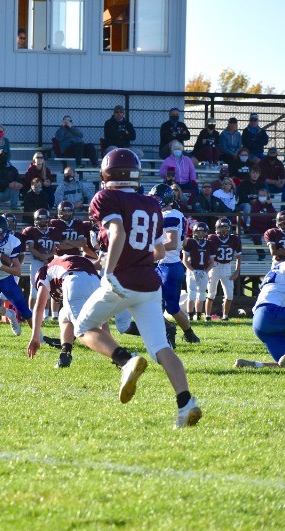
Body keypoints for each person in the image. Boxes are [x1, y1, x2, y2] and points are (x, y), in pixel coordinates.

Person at [58, 148, 202, 428]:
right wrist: (132, 259)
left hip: (121, 280)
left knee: (83, 328)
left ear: (105, 172)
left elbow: (118, 233)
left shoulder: (105, 197)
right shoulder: (150, 203)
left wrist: (110, 269)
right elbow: (159, 251)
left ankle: (126, 360)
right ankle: (186, 403)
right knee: (161, 347)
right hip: (149, 282)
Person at [27, 253, 101, 368]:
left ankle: (124, 358)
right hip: (97, 281)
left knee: (83, 330)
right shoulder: (64, 262)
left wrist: (35, 336)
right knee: (64, 315)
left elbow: (40, 305)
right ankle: (65, 355)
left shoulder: (45, 271)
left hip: (74, 280)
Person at [149, 184, 201, 344]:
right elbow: (182, 241)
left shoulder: (170, 215)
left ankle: (187, 333)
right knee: (155, 303)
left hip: (169, 266)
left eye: (157, 198)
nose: (155, 201)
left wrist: (148, 251)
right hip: (165, 265)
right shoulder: (173, 214)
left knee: (171, 307)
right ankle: (176, 332)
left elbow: (171, 243)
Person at [22, 209, 60, 312]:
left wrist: (47, 257)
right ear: (35, 220)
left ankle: (46, 314)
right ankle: (30, 312)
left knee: (48, 288)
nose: (43, 221)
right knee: (34, 289)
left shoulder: (53, 231)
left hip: (50, 263)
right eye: (40, 219)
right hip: (36, 262)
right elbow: (31, 248)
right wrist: (43, 258)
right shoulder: (31, 231)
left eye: (45, 219)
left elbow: (55, 250)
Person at [205, 217, 242, 321]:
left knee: (229, 294)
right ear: (217, 228)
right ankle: (207, 315)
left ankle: (225, 316)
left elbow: (238, 257)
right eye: (221, 227)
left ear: (229, 228)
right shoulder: (212, 238)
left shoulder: (234, 239)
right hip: (214, 266)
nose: (223, 230)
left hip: (227, 267)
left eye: (225, 227)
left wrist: (236, 271)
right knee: (211, 292)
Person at [182, 222, 216, 321]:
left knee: (201, 295)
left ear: (205, 233)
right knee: (192, 294)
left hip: (203, 271)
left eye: (202, 232)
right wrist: (193, 271)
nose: (200, 234)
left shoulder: (210, 244)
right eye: (198, 232)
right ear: (194, 232)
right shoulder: (190, 242)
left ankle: (198, 315)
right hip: (192, 271)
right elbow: (184, 260)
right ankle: (190, 315)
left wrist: (206, 272)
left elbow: (212, 263)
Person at [259, 146, 285, 211]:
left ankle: (284, 210)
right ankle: (267, 207)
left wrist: (282, 182)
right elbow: (263, 178)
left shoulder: (279, 163)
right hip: (264, 186)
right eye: (271, 153)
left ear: (276, 154)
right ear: (268, 154)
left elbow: (283, 176)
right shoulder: (262, 163)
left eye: (274, 153)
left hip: (275, 186)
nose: (272, 155)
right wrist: (275, 182)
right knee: (264, 184)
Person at [248, 188, 277, 259]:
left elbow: (274, 215)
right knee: (255, 235)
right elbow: (254, 218)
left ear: (267, 196)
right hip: (257, 227)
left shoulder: (269, 205)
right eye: (260, 195)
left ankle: (275, 252)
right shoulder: (255, 205)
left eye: (264, 195)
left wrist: (269, 205)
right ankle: (261, 254)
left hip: (267, 226)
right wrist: (266, 219)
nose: (262, 196)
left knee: (276, 231)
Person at [236, 164, 265, 230]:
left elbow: (264, 196)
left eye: (256, 173)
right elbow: (242, 197)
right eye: (253, 173)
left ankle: (261, 227)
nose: (255, 175)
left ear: (259, 174)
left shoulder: (261, 184)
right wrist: (250, 201)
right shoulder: (244, 183)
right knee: (247, 206)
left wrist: (257, 201)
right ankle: (247, 227)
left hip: (257, 203)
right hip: (243, 204)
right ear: (250, 174)